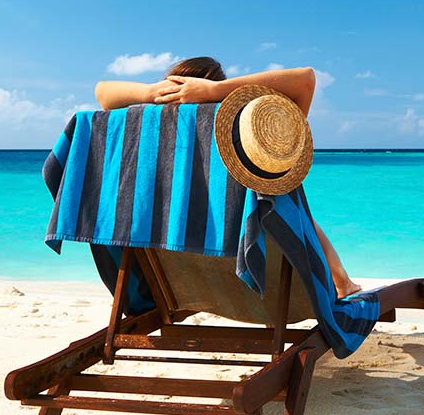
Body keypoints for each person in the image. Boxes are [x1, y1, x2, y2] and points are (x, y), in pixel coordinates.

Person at [95, 57, 362, 298]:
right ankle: (344, 283)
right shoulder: (246, 137)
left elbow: (103, 93)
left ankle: (344, 282)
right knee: (279, 202)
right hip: (259, 286)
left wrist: (153, 92)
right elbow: (305, 79)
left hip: (182, 290)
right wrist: (215, 93)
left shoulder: (161, 162)